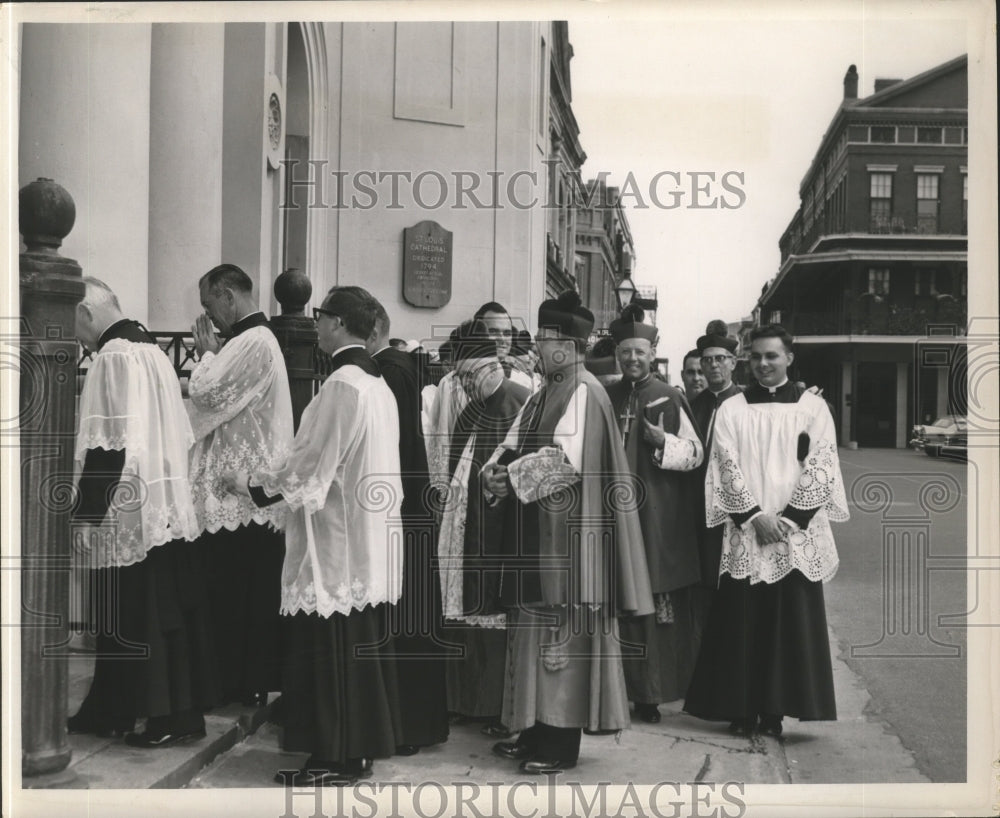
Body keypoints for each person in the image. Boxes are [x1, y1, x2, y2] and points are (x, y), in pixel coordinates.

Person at [224, 286, 404, 787]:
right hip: (364, 540)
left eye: (322, 318)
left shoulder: (345, 384)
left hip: (337, 544)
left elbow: (312, 467)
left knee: (332, 653)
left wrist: (252, 486)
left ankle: (335, 755)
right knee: (354, 650)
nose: (317, 325)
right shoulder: (376, 385)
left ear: (339, 324)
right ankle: (355, 751)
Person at [484, 291, 654, 774]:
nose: (536, 345)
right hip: (538, 531)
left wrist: (510, 475)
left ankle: (560, 744)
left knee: (564, 641)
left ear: (564, 341)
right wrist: (495, 469)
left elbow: (566, 464)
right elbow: (513, 441)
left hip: (571, 542)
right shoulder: (545, 389)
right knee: (534, 636)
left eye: (542, 337)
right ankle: (536, 729)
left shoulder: (584, 390)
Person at [68, 277, 216, 747]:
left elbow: (108, 445)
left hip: (127, 506)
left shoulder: (113, 357)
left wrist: (88, 515)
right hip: (163, 503)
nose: (76, 338)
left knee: (134, 615)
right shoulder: (151, 350)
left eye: (74, 324)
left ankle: (159, 717)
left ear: (87, 314)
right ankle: (120, 710)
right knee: (151, 612)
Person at [684, 324, 848, 737]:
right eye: (755, 357)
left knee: (786, 624)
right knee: (742, 621)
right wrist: (755, 516)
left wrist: (790, 518)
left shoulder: (812, 408)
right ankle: (741, 710)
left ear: (789, 358)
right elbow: (725, 464)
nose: (762, 364)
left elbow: (822, 464)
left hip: (794, 533)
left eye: (771, 356)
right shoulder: (733, 409)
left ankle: (774, 713)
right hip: (748, 530)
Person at [187, 264, 293, 707]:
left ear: (229, 296)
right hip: (240, 490)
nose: (208, 318)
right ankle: (237, 680)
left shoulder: (253, 341)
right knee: (236, 592)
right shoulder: (248, 340)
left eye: (209, 305)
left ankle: (237, 682)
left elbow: (209, 395)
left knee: (236, 593)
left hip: (244, 493)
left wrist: (206, 355)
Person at [604, 305, 704, 724]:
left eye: (639, 352)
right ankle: (616, 690)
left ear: (652, 352)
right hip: (613, 513)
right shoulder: (606, 395)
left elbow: (697, 455)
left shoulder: (669, 395)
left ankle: (650, 694)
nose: (631, 359)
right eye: (625, 352)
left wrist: (664, 442)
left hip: (656, 519)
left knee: (651, 605)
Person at [436, 320, 530, 736]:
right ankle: (462, 701)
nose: (463, 386)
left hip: (496, 535)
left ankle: (494, 707)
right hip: (462, 530)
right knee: (460, 612)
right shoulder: (472, 409)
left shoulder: (520, 403)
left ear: (488, 369)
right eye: (459, 378)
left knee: (492, 618)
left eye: (466, 377)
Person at [367, 302, 449, 755]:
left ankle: (407, 725)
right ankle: (412, 723)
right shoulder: (397, 369)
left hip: (398, 510)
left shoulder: (389, 372)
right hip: (408, 506)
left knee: (405, 619)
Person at [688, 320, 745, 628]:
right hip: (698, 509)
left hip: (732, 512)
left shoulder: (745, 407)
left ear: (733, 363)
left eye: (719, 359)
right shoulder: (694, 405)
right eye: (707, 360)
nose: (712, 366)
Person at [474, 301, 536, 391]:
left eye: (507, 333)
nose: (502, 339)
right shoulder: (455, 383)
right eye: (493, 332)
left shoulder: (525, 383)